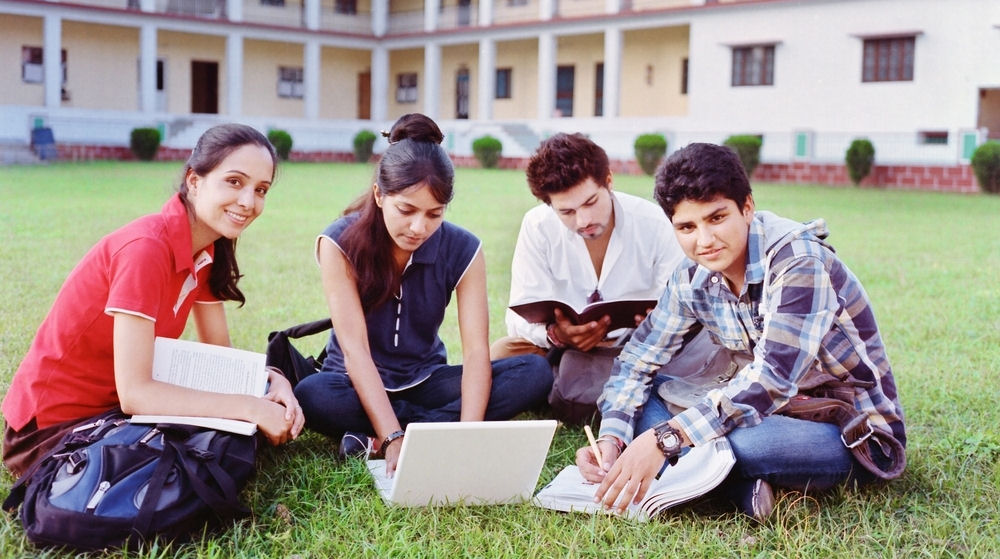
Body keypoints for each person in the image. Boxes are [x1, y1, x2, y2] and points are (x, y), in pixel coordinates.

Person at [576, 142, 906, 521]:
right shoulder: (690, 276)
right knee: (646, 394)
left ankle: (711, 475)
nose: (704, 240)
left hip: (845, 427)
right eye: (686, 226)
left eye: (716, 218)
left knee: (746, 440)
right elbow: (636, 361)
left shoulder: (798, 262)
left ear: (746, 207)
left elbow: (772, 380)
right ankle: (740, 487)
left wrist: (665, 438)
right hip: (759, 412)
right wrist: (612, 439)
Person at [2, 123, 305, 478]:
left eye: (261, 189)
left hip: (115, 413)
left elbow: (222, 359)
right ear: (194, 180)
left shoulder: (206, 249)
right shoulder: (146, 249)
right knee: (213, 456)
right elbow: (136, 394)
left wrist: (273, 382)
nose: (248, 202)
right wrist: (249, 407)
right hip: (53, 430)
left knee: (225, 446)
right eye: (235, 182)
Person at [293, 114, 552, 473]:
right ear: (379, 196)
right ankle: (409, 432)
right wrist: (393, 438)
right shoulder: (339, 242)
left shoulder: (465, 249)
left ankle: (381, 438)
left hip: (426, 380)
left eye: (434, 214)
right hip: (352, 382)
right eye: (406, 210)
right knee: (312, 394)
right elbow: (354, 351)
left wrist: (468, 434)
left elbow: (477, 351)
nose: (419, 227)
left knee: (534, 373)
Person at [490, 132, 684, 359]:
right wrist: (557, 334)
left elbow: (680, 305)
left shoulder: (654, 222)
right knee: (502, 353)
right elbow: (518, 315)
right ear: (549, 204)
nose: (584, 221)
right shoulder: (538, 225)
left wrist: (657, 325)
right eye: (567, 212)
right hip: (562, 348)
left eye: (590, 202)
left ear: (609, 182)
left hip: (638, 347)